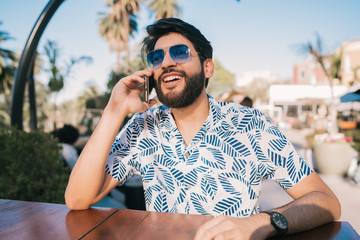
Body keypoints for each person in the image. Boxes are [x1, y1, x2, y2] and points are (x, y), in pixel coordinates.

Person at [65, 18, 340, 239]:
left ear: (208, 68)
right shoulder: (142, 128)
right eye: (157, 57)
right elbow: (77, 198)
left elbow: (327, 202)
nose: (167, 62)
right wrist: (114, 111)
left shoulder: (250, 125)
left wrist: (261, 223)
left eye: (180, 52)